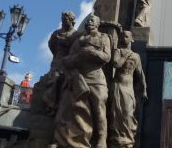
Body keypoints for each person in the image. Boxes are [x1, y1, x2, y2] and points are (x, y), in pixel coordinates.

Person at [54, 15, 111, 148]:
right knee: (70, 108)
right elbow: (67, 60)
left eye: (92, 20)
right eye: (88, 20)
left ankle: (102, 140)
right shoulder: (80, 39)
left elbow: (107, 57)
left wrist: (92, 53)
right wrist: (79, 56)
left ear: (97, 24)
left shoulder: (103, 38)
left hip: (96, 78)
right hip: (80, 78)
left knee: (99, 109)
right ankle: (70, 139)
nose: (89, 22)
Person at [107, 31, 147, 148]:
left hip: (128, 88)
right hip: (118, 86)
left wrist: (144, 89)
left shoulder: (136, 56)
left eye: (126, 36)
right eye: (122, 36)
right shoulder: (118, 51)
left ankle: (127, 139)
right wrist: (125, 56)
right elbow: (116, 64)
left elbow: (140, 74)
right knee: (115, 113)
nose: (124, 38)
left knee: (128, 113)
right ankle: (116, 139)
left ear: (131, 39)